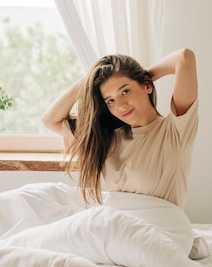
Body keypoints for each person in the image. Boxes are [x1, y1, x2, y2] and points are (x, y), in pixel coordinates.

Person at [42, 48, 198, 208]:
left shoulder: (175, 130)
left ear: (147, 85)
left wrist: (143, 77)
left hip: (159, 229)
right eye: (110, 100)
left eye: (125, 91)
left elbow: (184, 58)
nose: (121, 105)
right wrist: (89, 83)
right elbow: (50, 119)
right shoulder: (107, 139)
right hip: (117, 228)